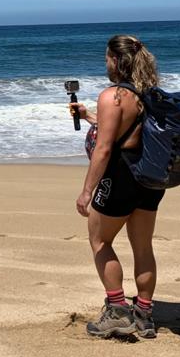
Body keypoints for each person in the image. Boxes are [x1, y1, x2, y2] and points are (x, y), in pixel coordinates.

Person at [69, 35, 163, 339]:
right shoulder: (148, 93)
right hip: (149, 179)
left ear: (117, 61)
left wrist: (87, 191)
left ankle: (117, 309)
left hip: (120, 178)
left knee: (100, 242)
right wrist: (88, 117)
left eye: (107, 58)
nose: (105, 63)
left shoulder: (113, 96)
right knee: (143, 247)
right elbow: (129, 128)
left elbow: (105, 149)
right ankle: (144, 315)